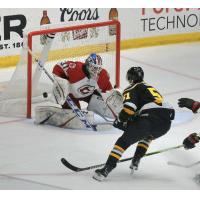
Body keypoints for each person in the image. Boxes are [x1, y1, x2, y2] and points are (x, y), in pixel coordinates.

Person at [93, 66, 175, 181]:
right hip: (165, 124)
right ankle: (137, 158)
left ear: (130, 78)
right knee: (147, 135)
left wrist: (120, 120)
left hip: (149, 118)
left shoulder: (131, 88)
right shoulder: (149, 87)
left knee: (123, 142)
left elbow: (129, 109)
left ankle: (106, 169)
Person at [34, 53, 123, 128]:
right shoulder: (75, 68)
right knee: (73, 115)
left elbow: (108, 91)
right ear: (87, 65)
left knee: (104, 106)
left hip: (89, 95)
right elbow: (57, 67)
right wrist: (61, 83)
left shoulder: (102, 75)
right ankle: (49, 115)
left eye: (98, 68)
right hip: (70, 95)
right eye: (94, 68)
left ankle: (99, 115)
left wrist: (112, 96)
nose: (96, 71)